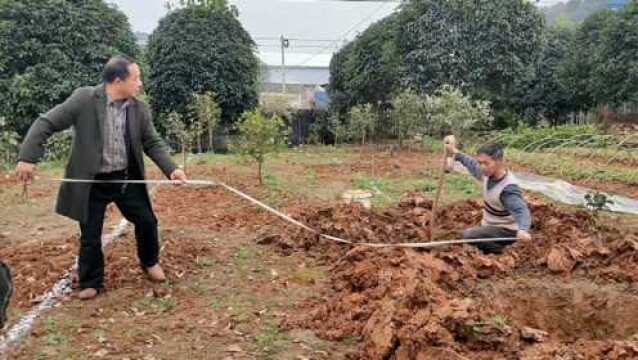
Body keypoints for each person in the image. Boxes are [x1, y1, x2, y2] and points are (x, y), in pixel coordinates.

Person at [15, 55, 187, 300]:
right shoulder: (84, 99)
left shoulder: (139, 109)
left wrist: (172, 169)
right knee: (91, 234)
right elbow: (47, 122)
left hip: (126, 179)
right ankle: (91, 281)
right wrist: (28, 157)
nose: (140, 84)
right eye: (136, 78)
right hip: (91, 182)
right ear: (118, 80)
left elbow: (152, 142)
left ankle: (150, 262)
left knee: (147, 221)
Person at [444, 135, 532, 254]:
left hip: (507, 231)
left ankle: (502, 252)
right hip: (490, 225)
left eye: (486, 163)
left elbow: (521, 210)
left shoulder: (508, 188)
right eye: (480, 163)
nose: (482, 167)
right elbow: (471, 164)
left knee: (469, 236)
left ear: (499, 161)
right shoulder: (486, 174)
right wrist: (456, 153)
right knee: (472, 234)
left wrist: (523, 230)